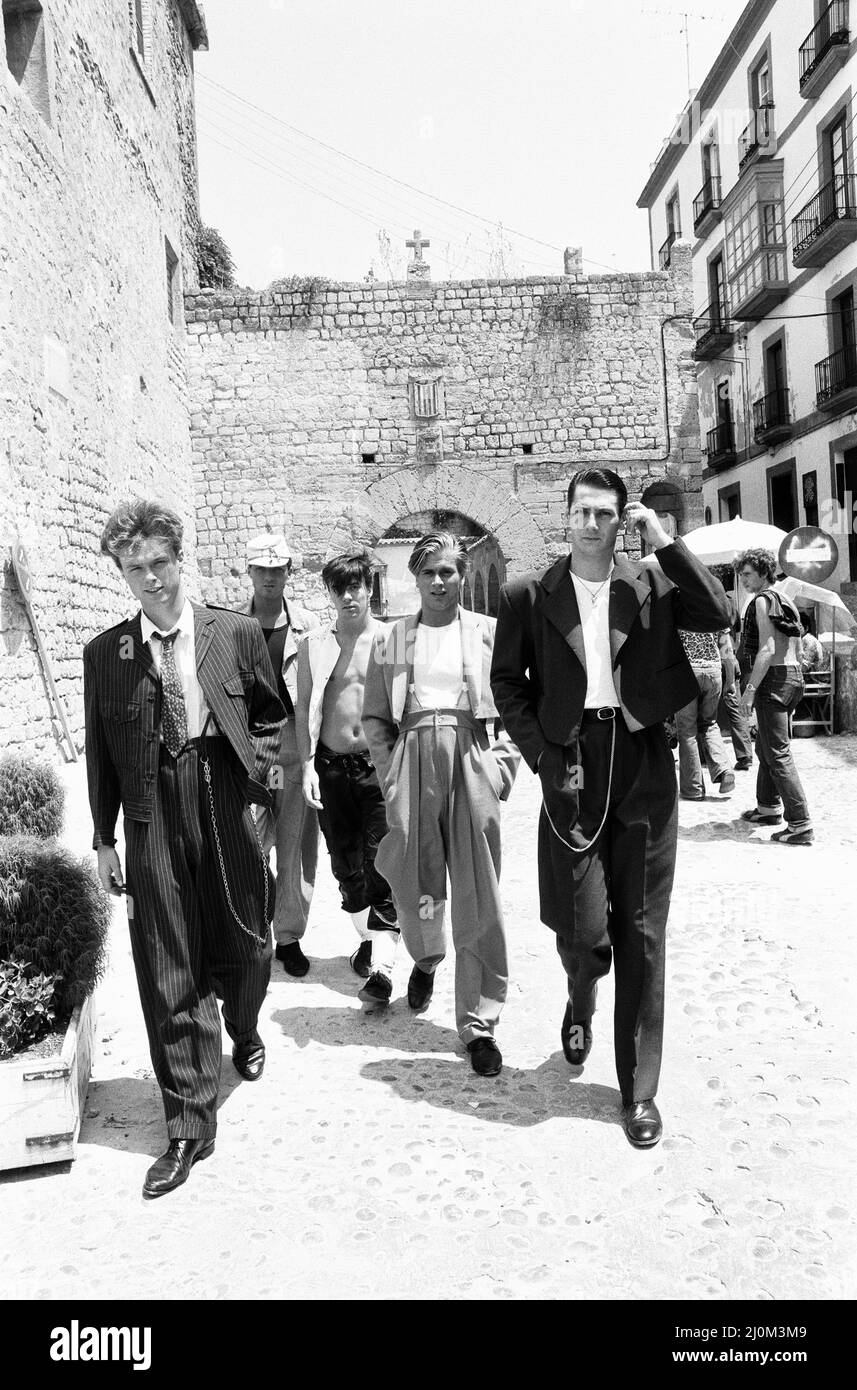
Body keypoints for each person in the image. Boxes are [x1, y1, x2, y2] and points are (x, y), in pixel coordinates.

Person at [491, 468, 730, 1147]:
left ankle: (637, 1090)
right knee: (583, 927)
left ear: (620, 520)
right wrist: (542, 755)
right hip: (571, 762)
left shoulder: (651, 580)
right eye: (582, 512)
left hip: (643, 760)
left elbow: (715, 613)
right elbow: (507, 684)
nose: (592, 525)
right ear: (565, 517)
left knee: (643, 931)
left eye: (605, 514)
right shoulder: (527, 596)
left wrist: (665, 542)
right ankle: (580, 991)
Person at [84, 501, 285, 1198]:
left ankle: (244, 1020)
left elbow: (271, 716)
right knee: (168, 961)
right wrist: (103, 837)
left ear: (180, 559)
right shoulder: (105, 655)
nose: (152, 580)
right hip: (149, 809)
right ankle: (187, 1126)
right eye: (135, 570)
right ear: (122, 575)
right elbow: (102, 756)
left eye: (160, 564)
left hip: (222, 790)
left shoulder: (233, 633)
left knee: (247, 940)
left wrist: (260, 792)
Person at [362, 532, 520, 1076]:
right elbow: (375, 718)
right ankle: (427, 957)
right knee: (415, 875)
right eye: (428, 572)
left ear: (461, 574)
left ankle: (479, 1022)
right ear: (414, 576)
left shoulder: (486, 633)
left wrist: (500, 768)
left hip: (471, 760)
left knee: (477, 889)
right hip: (412, 763)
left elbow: (518, 708)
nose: (437, 582)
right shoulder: (394, 638)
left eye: (448, 571)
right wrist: (390, 779)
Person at [296, 551, 400, 1002]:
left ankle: (383, 965)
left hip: (378, 766)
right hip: (331, 766)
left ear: (369, 588)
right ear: (330, 594)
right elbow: (303, 708)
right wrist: (305, 767)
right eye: (340, 589)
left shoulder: (392, 639)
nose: (349, 596)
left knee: (383, 861)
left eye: (356, 587)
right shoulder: (313, 645)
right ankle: (368, 938)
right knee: (345, 865)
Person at [238, 534, 319, 976]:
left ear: (289, 572)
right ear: (248, 572)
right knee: (246, 844)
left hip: (293, 747)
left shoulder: (308, 627)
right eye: (261, 569)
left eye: (278, 569)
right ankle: (252, 933)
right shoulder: (230, 626)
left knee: (293, 847)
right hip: (250, 749)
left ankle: (288, 937)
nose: (270, 577)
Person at [735, 549, 813, 846]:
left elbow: (766, 649)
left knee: (777, 753)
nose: (743, 581)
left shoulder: (762, 601)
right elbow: (800, 644)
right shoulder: (786, 599)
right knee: (766, 747)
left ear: (764, 572)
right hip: (793, 677)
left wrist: (749, 691)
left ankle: (800, 824)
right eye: (741, 575)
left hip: (774, 679)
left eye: (747, 575)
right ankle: (768, 807)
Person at [675, 627, 735, 800]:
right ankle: (724, 770)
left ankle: (693, 789)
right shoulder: (715, 608)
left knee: (687, 731)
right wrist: (730, 680)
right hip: (713, 672)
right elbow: (727, 650)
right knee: (709, 723)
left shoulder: (679, 606)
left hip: (686, 673)